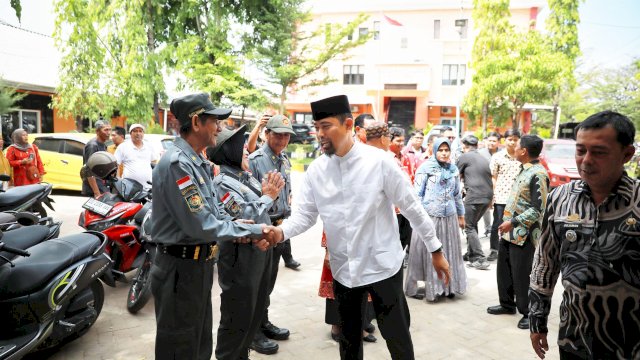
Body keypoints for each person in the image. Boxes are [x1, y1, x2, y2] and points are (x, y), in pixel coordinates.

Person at [264, 95, 450, 360]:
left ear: (348, 124)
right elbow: (305, 216)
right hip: (344, 272)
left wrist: (436, 249)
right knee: (348, 341)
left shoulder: (380, 162)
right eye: (316, 127)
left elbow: (412, 207)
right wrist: (280, 232)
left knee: (397, 336)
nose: (319, 134)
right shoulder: (317, 170)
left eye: (326, 126)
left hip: (383, 267)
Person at [151, 92, 274, 360]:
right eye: (214, 121)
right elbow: (203, 226)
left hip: (197, 267)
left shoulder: (197, 163)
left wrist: (238, 225)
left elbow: (214, 214)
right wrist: (255, 230)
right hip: (179, 270)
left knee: (199, 346)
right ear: (196, 122)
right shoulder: (178, 165)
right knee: (181, 348)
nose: (219, 127)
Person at [529, 111, 640, 360]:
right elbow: (545, 262)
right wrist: (537, 319)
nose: (586, 161)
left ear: (627, 154)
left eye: (599, 152)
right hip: (573, 338)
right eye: (580, 150)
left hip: (630, 346)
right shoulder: (560, 198)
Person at [207, 125, 285, 360]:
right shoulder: (222, 182)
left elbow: (257, 213)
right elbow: (239, 213)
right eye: (240, 148)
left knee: (254, 308)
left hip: (258, 249)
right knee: (237, 314)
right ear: (227, 151)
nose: (246, 152)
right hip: (239, 255)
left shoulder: (245, 176)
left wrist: (264, 231)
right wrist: (267, 197)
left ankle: (242, 354)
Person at [248, 114, 299, 355]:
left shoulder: (283, 158)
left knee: (268, 283)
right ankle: (252, 332)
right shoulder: (257, 160)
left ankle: (263, 321)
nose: (282, 139)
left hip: (279, 229)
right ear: (266, 134)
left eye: (286, 135)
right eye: (277, 134)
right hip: (263, 229)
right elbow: (251, 199)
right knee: (257, 284)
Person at [487, 135, 549, 331]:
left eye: (518, 145)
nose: (514, 147)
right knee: (504, 270)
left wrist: (513, 222)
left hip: (524, 234)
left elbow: (539, 209)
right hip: (509, 232)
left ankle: (528, 312)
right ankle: (507, 304)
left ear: (524, 151)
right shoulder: (523, 169)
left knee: (521, 274)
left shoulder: (538, 174)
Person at [406, 137, 466, 302]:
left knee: (450, 251)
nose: (444, 153)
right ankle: (426, 288)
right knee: (427, 252)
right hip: (430, 217)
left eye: (447, 150)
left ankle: (448, 286)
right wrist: (417, 219)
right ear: (434, 150)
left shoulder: (453, 169)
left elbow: (457, 195)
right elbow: (416, 195)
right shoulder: (425, 168)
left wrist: (461, 215)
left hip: (450, 218)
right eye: (441, 150)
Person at [457, 135, 492, 270]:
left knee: (468, 226)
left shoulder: (464, 157)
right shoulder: (482, 158)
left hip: (474, 196)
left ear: (464, 146)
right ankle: (471, 253)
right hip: (487, 196)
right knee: (472, 224)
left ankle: (479, 258)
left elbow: (454, 175)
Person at [488, 129, 521, 261]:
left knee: (515, 224)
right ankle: (494, 250)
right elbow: (493, 177)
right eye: (510, 139)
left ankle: (511, 250)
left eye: (515, 139)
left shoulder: (522, 156)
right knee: (497, 224)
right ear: (505, 140)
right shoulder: (497, 157)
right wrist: (492, 196)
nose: (512, 142)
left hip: (518, 199)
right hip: (500, 197)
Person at [114, 124, 158, 191]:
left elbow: (154, 162)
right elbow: (115, 164)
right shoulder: (123, 147)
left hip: (148, 187)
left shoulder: (149, 146)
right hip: (129, 189)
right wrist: (118, 181)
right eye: (135, 131)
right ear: (130, 133)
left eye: (140, 131)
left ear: (143, 133)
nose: (138, 133)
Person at [479, 131, 501, 237]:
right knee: (486, 208)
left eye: (494, 141)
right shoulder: (480, 153)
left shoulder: (502, 154)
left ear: (498, 142)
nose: (491, 143)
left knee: (498, 207)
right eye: (489, 140)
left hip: (500, 184)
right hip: (485, 184)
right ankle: (487, 228)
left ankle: (498, 229)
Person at [82, 120, 112, 198]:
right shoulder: (92, 146)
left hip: (102, 186)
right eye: (106, 130)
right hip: (95, 188)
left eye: (110, 129)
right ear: (97, 131)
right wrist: (96, 193)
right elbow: (88, 170)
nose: (108, 132)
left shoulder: (103, 144)